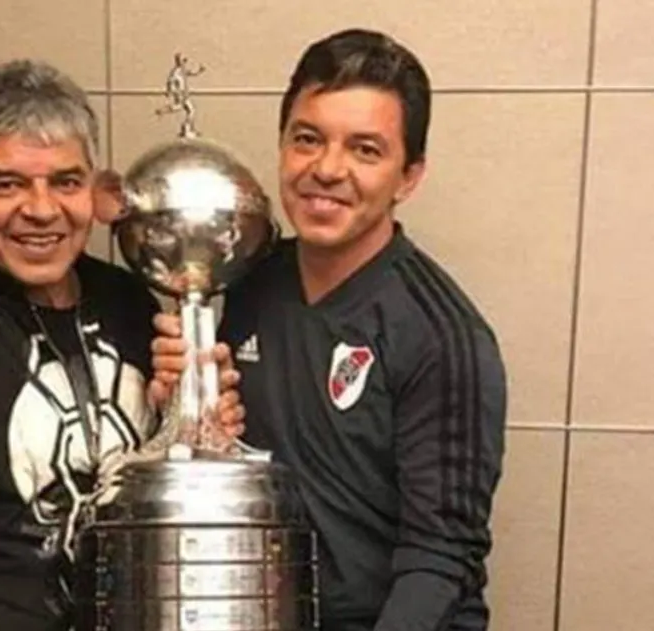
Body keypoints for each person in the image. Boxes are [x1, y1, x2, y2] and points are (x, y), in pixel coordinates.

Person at [0, 58, 242, 631]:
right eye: (7, 184)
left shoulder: (134, 306)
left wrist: (186, 420)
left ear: (95, 192)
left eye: (65, 182)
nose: (42, 209)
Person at [135, 29, 508, 631]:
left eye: (365, 150)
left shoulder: (443, 334)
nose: (327, 170)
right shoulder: (248, 285)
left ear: (408, 177)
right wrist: (188, 411)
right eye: (308, 139)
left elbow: (440, 561)